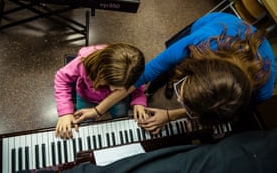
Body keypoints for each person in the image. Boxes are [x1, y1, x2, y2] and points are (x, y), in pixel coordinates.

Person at [76, 12, 275, 135]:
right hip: (216, 24)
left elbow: (217, 114)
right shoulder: (198, 42)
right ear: (192, 68)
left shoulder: (262, 93)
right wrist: (98, 111)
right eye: (181, 88)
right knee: (165, 65)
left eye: (187, 107)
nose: (178, 98)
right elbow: (141, 77)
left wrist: (170, 115)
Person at [54, 43, 147, 139]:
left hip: (119, 100)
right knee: (84, 120)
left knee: (120, 117)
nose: (112, 91)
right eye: (107, 84)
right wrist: (65, 112)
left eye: (119, 89)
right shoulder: (83, 63)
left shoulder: (132, 71)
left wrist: (138, 100)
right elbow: (61, 79)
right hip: (86, 96)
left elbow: (138, 84)